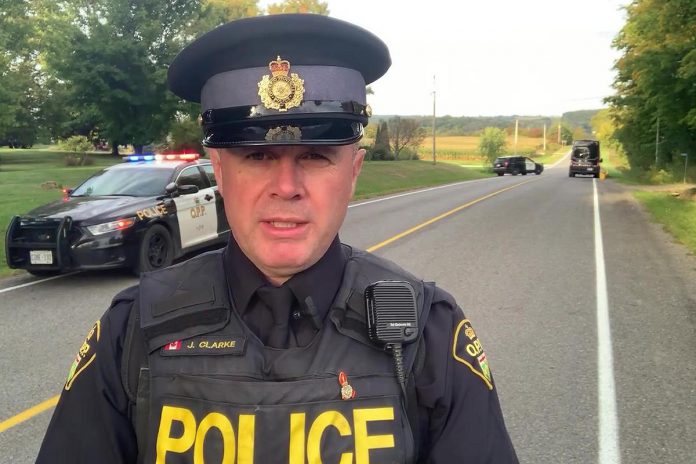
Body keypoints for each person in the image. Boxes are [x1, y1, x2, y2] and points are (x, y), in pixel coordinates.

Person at [37, 13, 518, 463]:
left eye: (315, 155)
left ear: (352, 173)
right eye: (257, 157)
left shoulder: (427, 333)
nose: (286, 187)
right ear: (220, 173)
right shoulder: (134, 330)